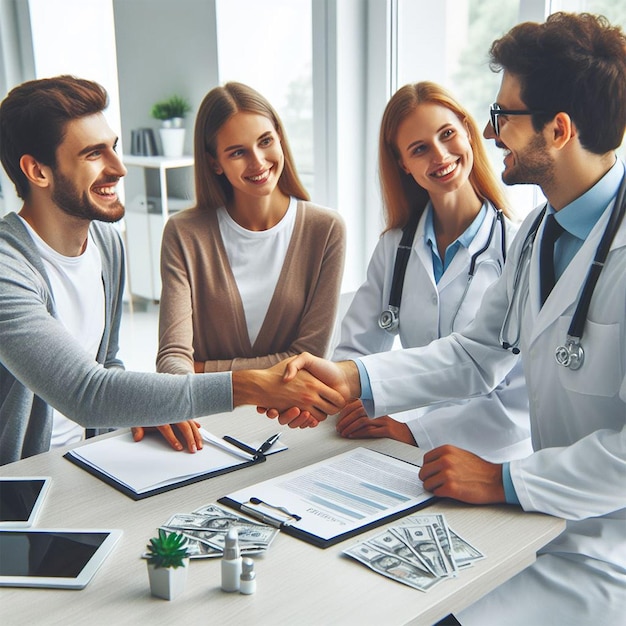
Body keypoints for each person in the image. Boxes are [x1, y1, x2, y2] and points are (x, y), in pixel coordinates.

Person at [276, 12, 626, 625]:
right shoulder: (541, 232)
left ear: (560, 129)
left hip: (605, 545)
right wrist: (352, 379)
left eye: (504, 118)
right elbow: (474, 355)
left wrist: (505, 481)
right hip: (536, 519)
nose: (492, 135)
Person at [0, 75, 344, 466]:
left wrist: (151, 407)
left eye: (113, 148)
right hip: (20, 478)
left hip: (87, 458)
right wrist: (248, 385)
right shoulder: (8, 269)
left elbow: (108, 362)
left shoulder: (105, 244)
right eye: (94, 154)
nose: (119, 168)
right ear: (37, 171)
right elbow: (88, 392)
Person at [333, 82, 531, 463]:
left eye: (447, 135)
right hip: (407, 450)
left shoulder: (517, 245)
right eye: (419, 149)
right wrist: (355, 397)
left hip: (493, 454)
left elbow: (523, 391)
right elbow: (356, 350)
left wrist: (414, 432)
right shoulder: (396, 247)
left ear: (469, 133)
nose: (440, 155)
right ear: (403, 164)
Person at [156, 82, 345, 377]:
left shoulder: (326, 230)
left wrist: (204, 370)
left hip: (292, 416)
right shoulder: (184, 233)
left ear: (280, 138)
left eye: (265, 141)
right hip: (208, 419)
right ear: (214, 163)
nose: (258, 162)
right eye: (236, 152)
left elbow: (309, 359)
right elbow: (173, 358)